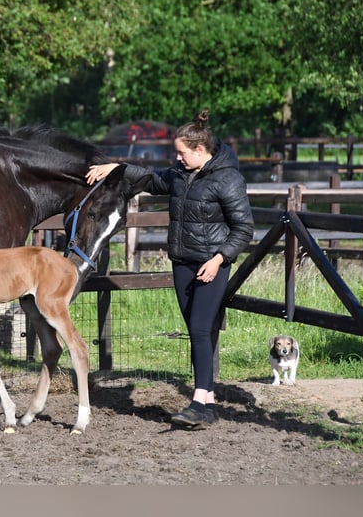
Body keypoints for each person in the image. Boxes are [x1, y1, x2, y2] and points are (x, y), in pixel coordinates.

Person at [87, 110, 254, 429]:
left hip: (210, 265)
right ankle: (208, 404)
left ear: (201, 150)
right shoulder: (179, 174)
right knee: (195, 331)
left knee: (202, 330)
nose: (177, 157)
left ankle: (197, 400)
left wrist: (218, 259)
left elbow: (244, 228)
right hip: (182, 262)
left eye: (182, 152)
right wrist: (116, 168)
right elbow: (150, 178)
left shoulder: (228, 179)